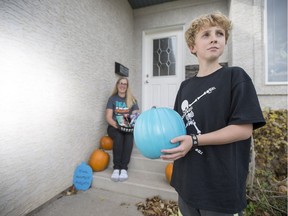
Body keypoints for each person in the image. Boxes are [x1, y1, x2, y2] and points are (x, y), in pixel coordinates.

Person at [160, 12, 266, 216]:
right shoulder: (185, 87)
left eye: (219, 33)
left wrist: (195, 140)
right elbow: (178, 127)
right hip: (187, 184)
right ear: (193, 47)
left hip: (220, 189)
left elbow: (243, 130)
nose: (214, 38)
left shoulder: (235, 76)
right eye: (206, 35)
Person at [105, 77, 139, 182]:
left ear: (127, 87)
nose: (122, 85)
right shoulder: (112, 99)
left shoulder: (132, 100)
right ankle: (116, 168)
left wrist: (128, 125)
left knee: (129, 136)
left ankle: (124, 168)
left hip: (127, 127)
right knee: (119, 136)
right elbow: (108, 118)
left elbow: (135, 116)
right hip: (114, 126)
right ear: (117, 85)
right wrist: (119, 126)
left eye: (125, 84)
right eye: (120, 83)